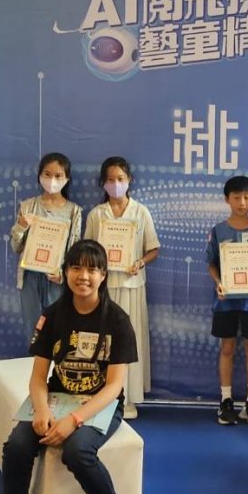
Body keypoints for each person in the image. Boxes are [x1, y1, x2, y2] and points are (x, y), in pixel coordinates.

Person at [0, 240, 138, 494]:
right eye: (76, 267)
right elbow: (38, 377)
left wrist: (74, 420)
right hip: (57, 397)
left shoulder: (117, 320)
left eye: (92, 269)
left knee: (77, 450)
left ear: (103, 275)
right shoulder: (53, 315)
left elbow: (114, 387)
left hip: (100, 403)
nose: (83, 276)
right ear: (66, 271)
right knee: (17, 445)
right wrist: (42, 410)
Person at [83, 156, 159, 419]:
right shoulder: (96, 214)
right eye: (110, 180)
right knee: (100, 341)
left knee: (128, 340)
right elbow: (87, 249)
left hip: (132, 286)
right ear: (102, 183)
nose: (115, 184)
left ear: (129, 181)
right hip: (102, 289)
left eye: (120, 179)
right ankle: (100, 397)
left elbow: (154, 249)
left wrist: (140, 262)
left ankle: (127, 398)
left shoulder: (141, 212)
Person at [205, 175, 248, 425]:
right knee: (227, 348)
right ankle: (226, 400)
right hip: (226, 301)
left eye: (246, 197)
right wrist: (218, 282)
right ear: (227, 199)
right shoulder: (218, 231)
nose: (242, 202)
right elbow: (211, 263)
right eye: (236, 197)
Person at [10, 152, 82, 337]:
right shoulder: (28, 206)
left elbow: (74, 251)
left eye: (58, 175)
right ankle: (34, 357)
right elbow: (16, 247)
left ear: (67, 178)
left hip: (56, 278)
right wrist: (21, 226)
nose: (52, 180)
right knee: (33, 329)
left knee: (57, 328)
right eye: (47, 174)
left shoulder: (74, 211)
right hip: (30, 276)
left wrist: (63, 274)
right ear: (40, 175)